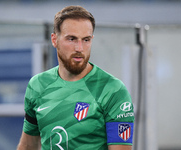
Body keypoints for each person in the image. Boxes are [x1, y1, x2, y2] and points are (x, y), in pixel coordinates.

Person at [17, 5, 134, 150]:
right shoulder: (38, 85)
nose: (79, 48)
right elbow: (28, 145)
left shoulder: (113, 90)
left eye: (86, 40)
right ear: (54, 40)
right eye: (72, 39)